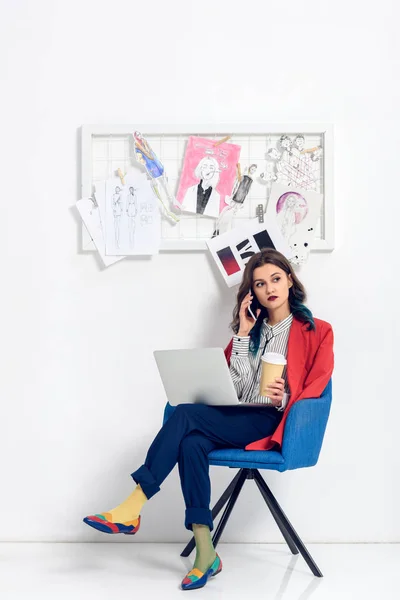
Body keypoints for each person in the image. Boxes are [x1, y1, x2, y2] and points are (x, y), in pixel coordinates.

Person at [83, 248, 334, 591]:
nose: (269, 288)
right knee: (192, 442)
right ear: (252, 293)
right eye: (260, 284)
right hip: (237, 415)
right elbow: (234, 387)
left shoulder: (317, 331)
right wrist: (244, 333)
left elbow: (317, 385)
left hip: (272, 420)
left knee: (186, 415)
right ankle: (206, 553)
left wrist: (284, 398)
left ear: (290, 280)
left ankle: (133, 505)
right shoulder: (250, 331)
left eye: (276, 279)